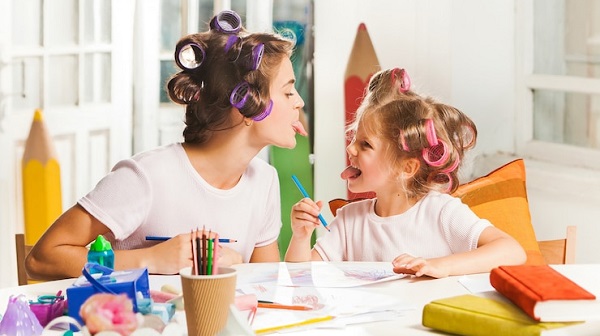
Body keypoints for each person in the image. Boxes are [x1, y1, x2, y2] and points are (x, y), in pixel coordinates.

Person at [26, 10, 307, 280]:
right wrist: (152, 260)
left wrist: (239, 265)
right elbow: (42, 258)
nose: (299, 102)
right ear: (244, 106)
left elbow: (263, 290)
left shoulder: (264, 181)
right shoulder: (147, 176)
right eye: (288, 92)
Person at [285, 68, 526, 278]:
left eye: (365, 145)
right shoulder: (349, 220)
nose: (350, 148)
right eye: (353, 139)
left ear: (406, 168)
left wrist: (441, 266)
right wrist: (301, 236)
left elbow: (511, 251)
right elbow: (300, 277)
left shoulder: (440, 211)